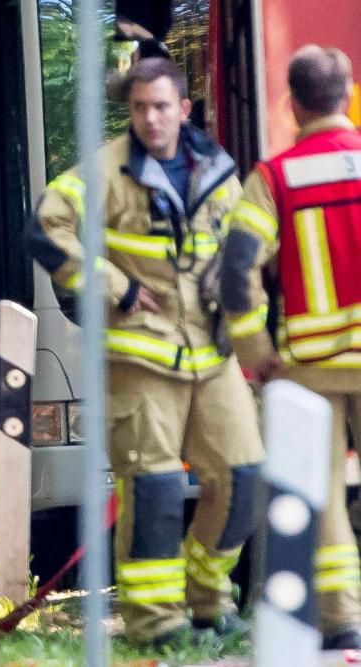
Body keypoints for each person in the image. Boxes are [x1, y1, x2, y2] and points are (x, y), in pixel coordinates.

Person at [33, 57, 264, 648]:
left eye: (161, 106)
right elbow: (45, 229)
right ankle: (155, 625)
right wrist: (118, 287)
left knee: (243, 479)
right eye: (139, 108)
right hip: (140, 360)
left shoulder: (217, 167)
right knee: (157, 493)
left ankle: (209, 599)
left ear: (183, 109)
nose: (150, 119)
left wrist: (250, 335)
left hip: (211, 357)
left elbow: (239, 252)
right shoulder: (104, 171)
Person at [220, 45, 361, 650]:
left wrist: (254, 349)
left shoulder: (272, 179)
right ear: (350, 93)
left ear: (292, 104)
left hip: (310, 368)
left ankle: (342, 619)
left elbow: (235, 271)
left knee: (323, 494)